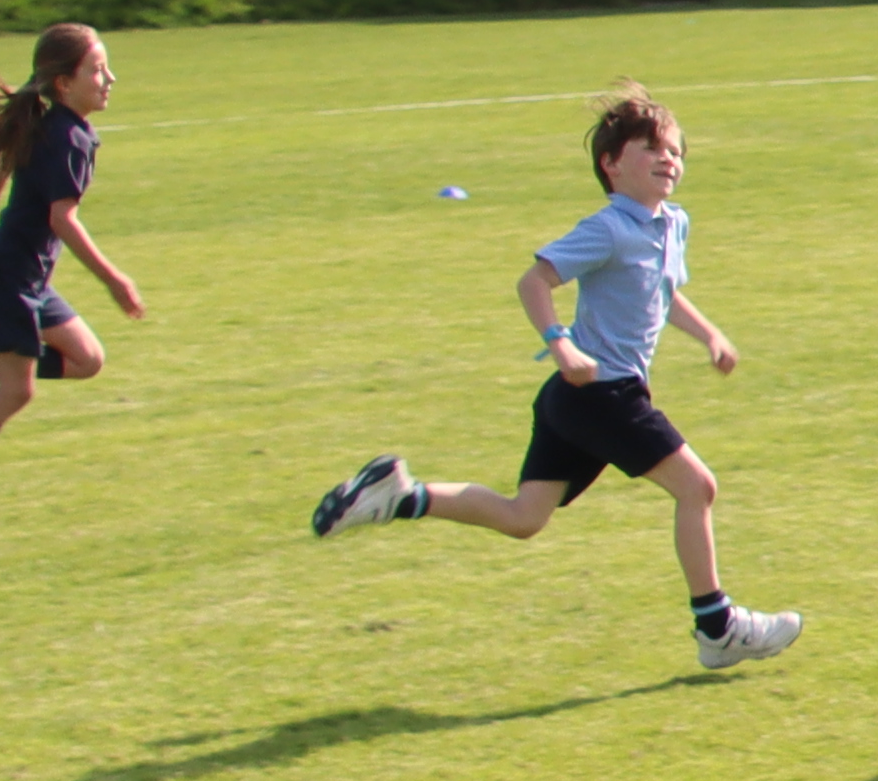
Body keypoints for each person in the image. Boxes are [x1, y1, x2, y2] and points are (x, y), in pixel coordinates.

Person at [304, 81, 800, 669]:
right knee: (698, 488)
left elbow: (662, 293)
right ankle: (717, 628)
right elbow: (535, 281)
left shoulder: (673, 224)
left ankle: (402, 496)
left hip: (576, 399)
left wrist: (710, 334)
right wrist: (560, 343)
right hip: (601, 394)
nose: (669, 158)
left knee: (524, 518)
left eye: (675, 150)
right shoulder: (608, 228)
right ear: (611, 165)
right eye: (651, 148)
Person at [0, 21, 142, 518]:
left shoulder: (49, 123)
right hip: (10, 278)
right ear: (64, 83)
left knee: (87, 359)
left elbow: (1, 159)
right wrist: (113, 279)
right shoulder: (68, 136)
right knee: (17, 390)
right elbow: (63, 219)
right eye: (97, 70)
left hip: (25, 276)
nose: (110, 79)